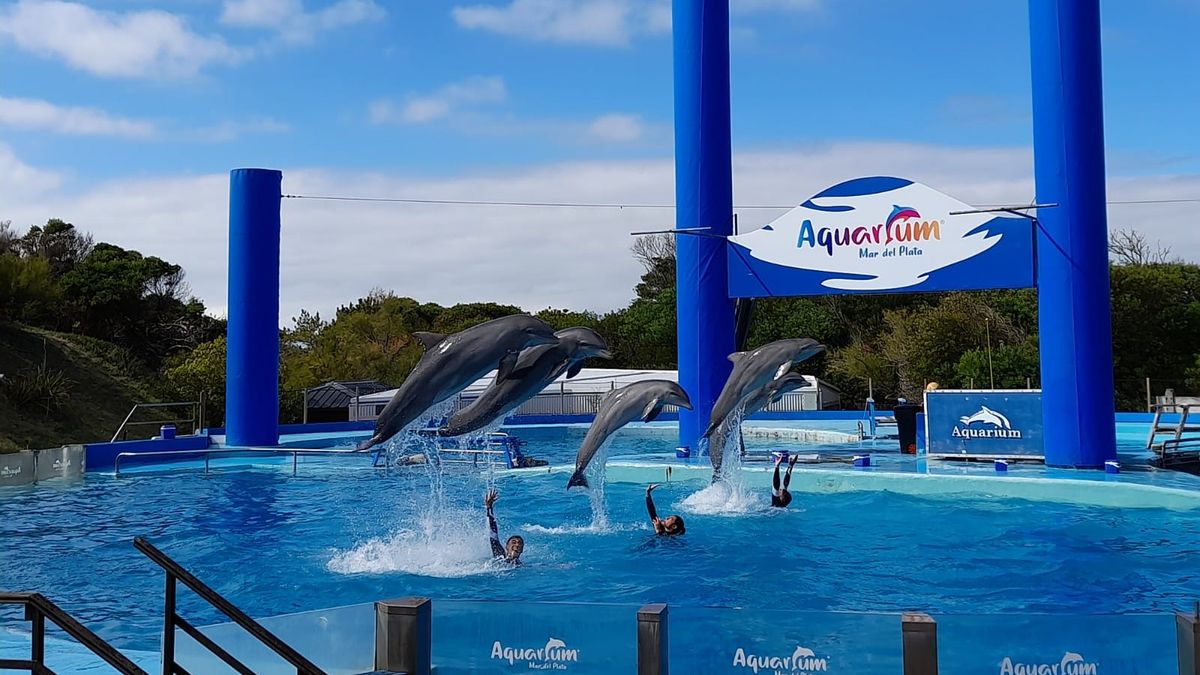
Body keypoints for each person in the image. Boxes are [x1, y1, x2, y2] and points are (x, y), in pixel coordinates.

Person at [484, 488, 524, 564]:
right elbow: (493, 532)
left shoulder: (521, 565)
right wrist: (489, 507)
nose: (517, 544)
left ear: (522, 550)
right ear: (506, 547)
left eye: (520, 543)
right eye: (514, 542)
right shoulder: (499, 554)